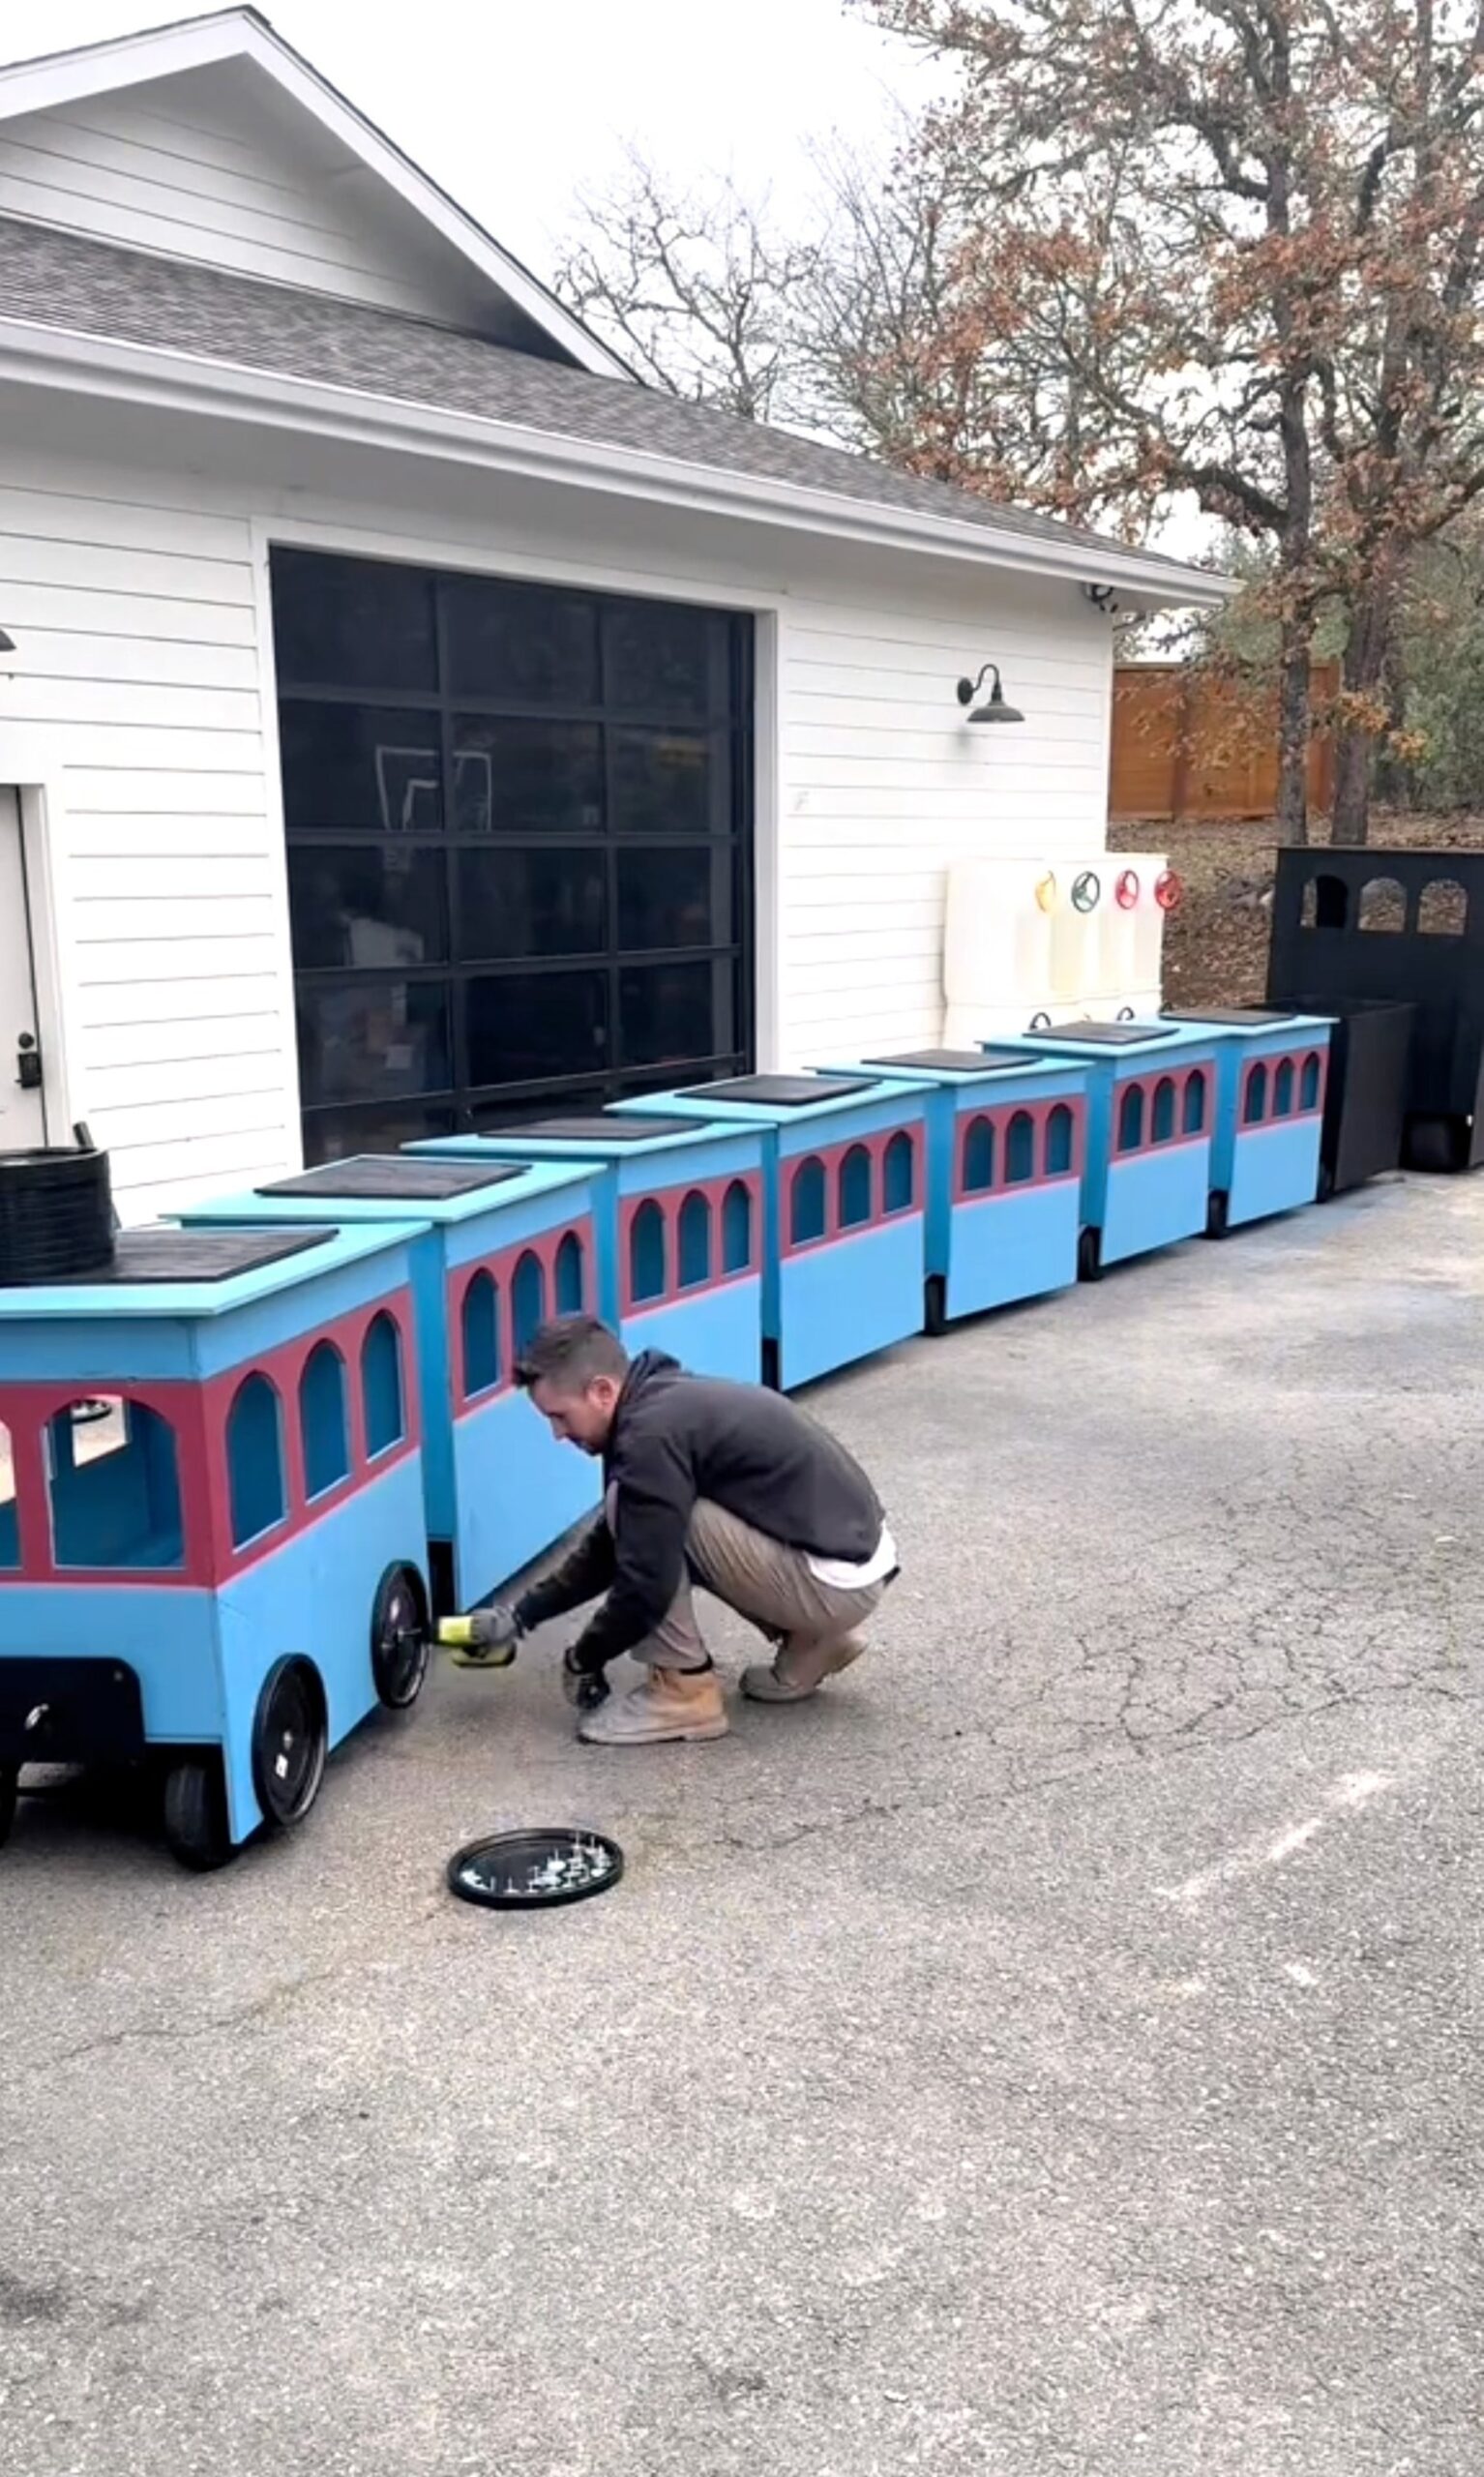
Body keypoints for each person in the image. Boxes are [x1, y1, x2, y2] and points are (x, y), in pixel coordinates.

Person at [458, 1315, 898, 1746]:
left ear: (602, 1391)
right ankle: (815, 1644)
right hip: (849, 1566)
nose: (557, 1433)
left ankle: (683, 1692)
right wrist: (521, 1617)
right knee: (641, 1518)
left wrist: (584, 1656)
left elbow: (644, 1581)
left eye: (560, 1416)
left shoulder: (649, 1437)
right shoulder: (661, 1404)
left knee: (656, 1534)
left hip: (831, 1583)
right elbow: (607, 1548)